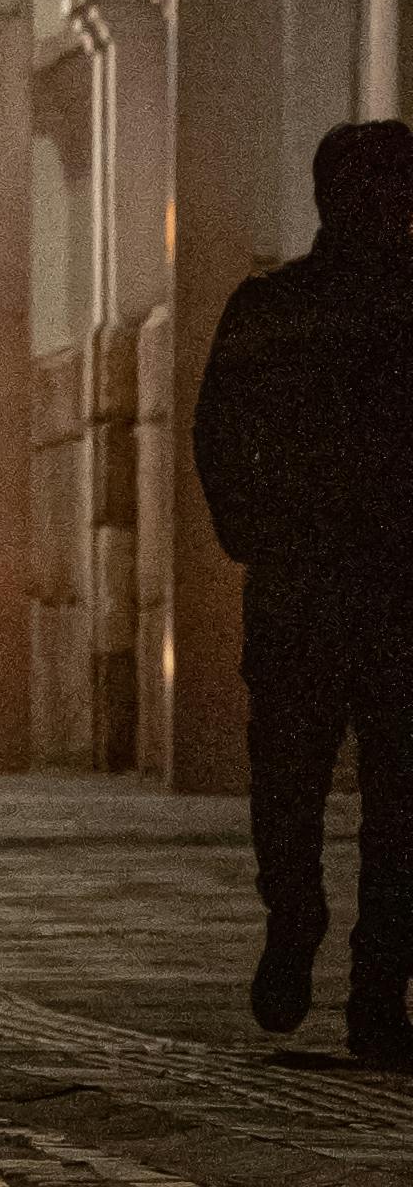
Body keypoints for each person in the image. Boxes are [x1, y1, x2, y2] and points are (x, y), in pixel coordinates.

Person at [194, 116, 413, 1061]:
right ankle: (364, 983)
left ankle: (307, 931)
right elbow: (217, 433)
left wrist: (250, 532)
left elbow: (214, 436)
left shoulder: (270, 304)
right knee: (392, 803)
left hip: (306, 587)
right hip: (376, 588)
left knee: (296, 786)